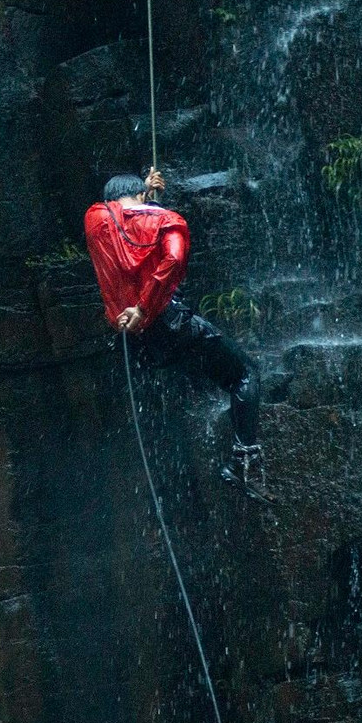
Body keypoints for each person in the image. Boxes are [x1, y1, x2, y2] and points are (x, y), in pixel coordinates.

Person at [85, 169, 264, 490]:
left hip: (137, 340)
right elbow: (173, 257)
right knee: (245, 374)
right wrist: (143, 307)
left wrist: (145, 193)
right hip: (169, 322)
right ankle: (244, 461)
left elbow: (127, 223)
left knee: (197, 372)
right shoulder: (167, 221)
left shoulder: (94, 220)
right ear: (141, 196)